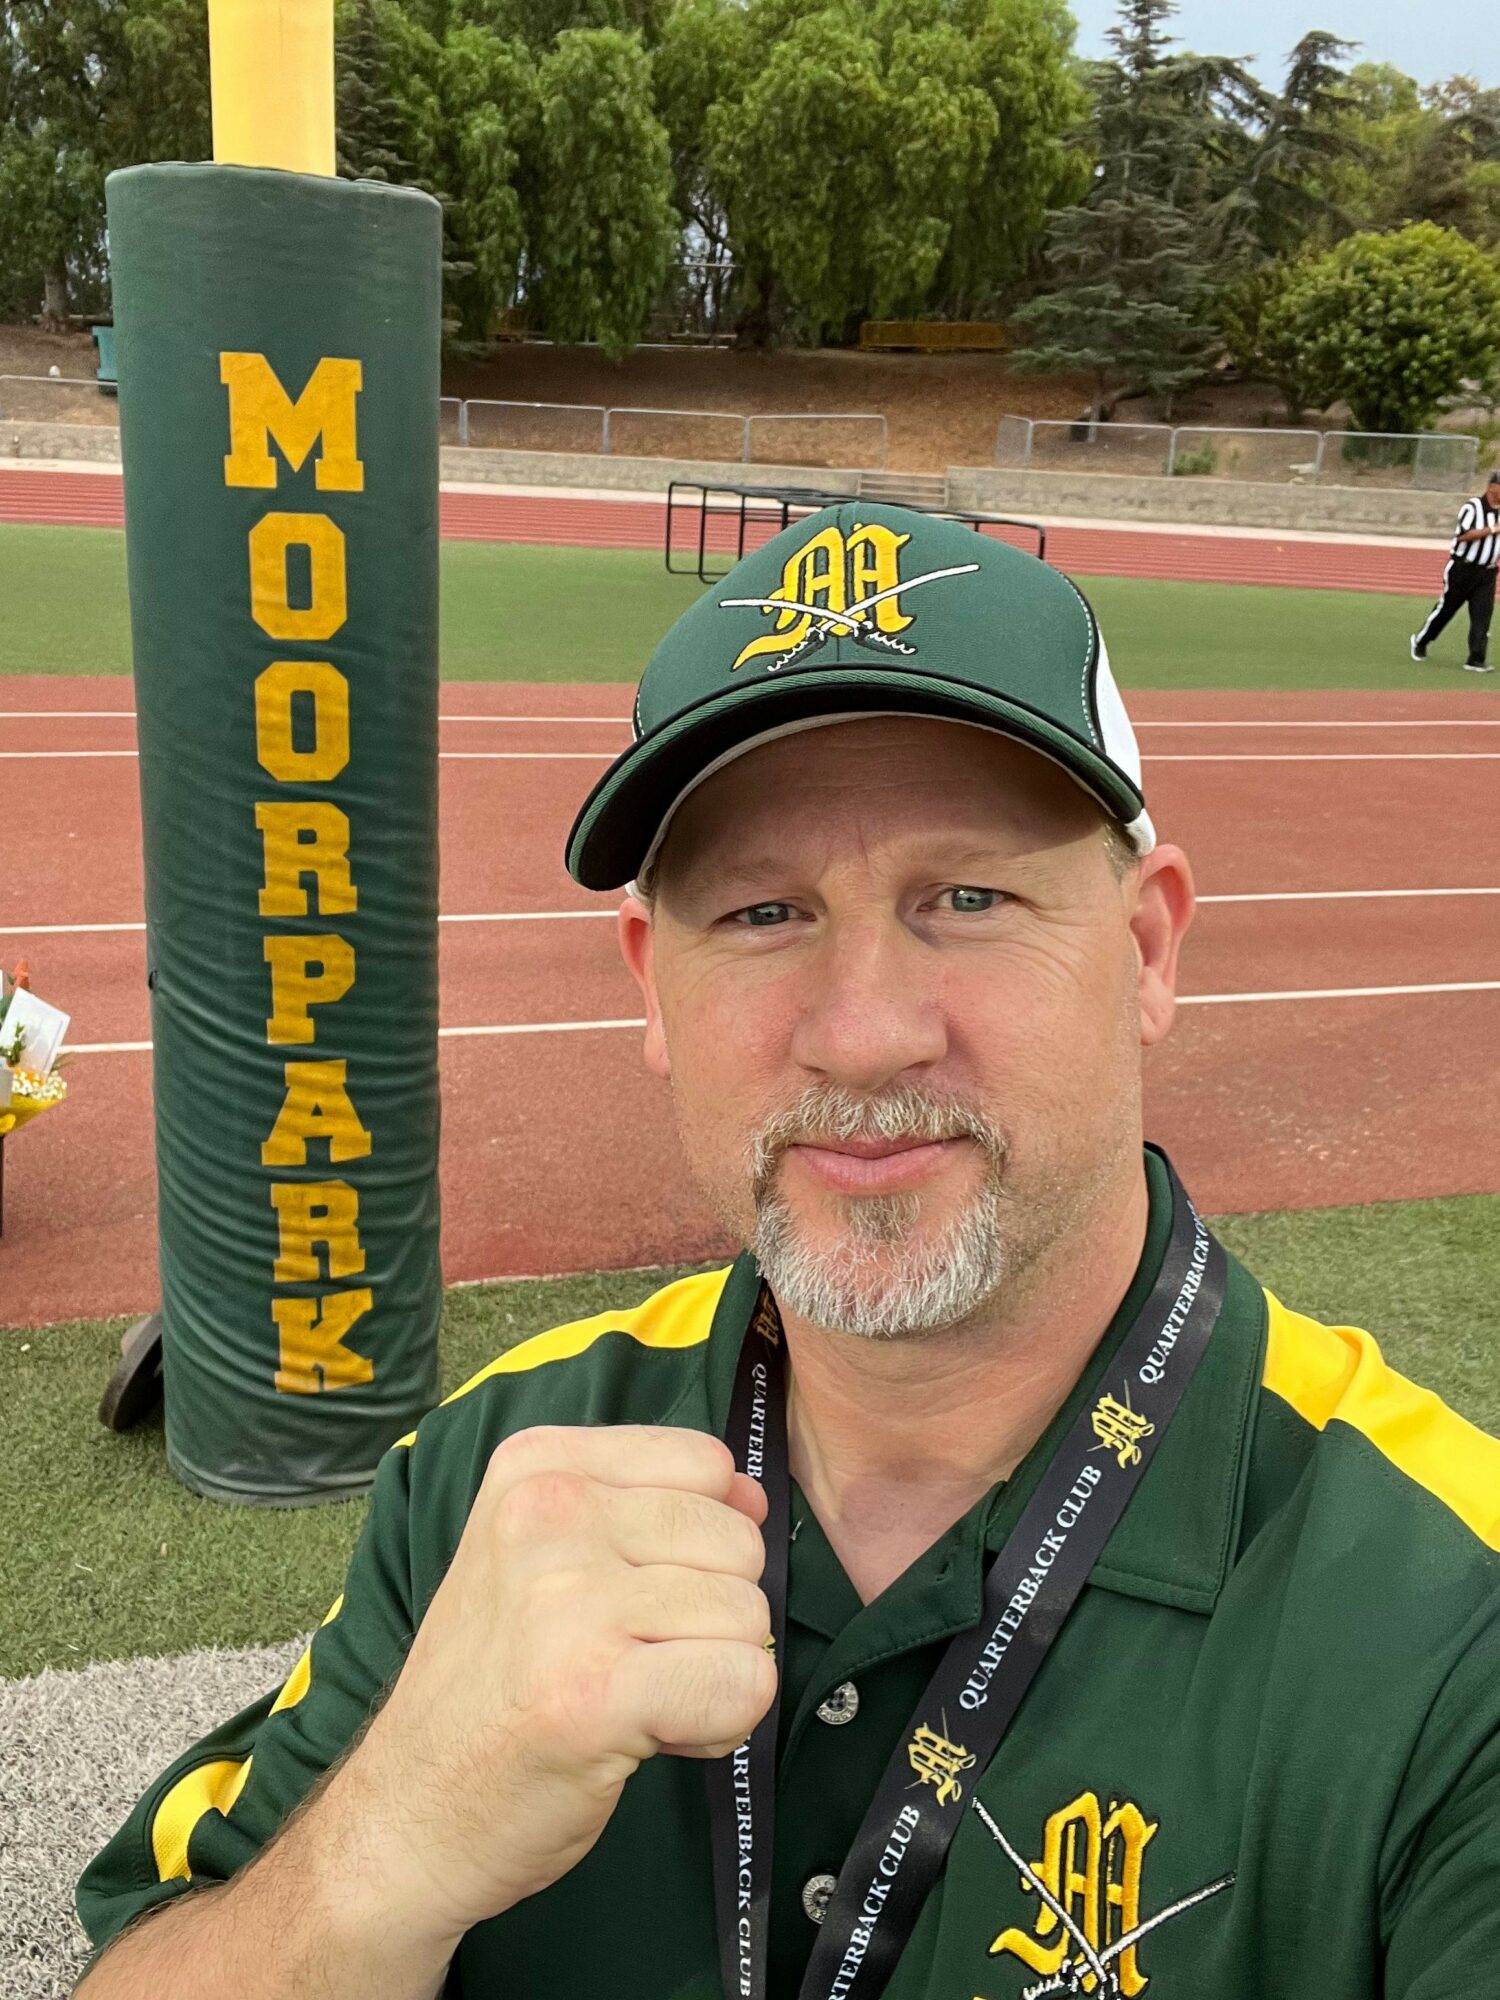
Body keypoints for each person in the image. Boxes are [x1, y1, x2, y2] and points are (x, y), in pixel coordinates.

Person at [76, 505, 1500, 2000]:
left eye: (968, 898)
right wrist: (384, 1852)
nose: (864, 1030)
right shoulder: (506, 1464)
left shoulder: (1441, 1619)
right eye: (764, 911)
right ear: (652, 986)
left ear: (1147, 949)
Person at [1411, 469, 1500, 671]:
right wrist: (1493, 529)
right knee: (1446, 610)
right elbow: (1462, 535)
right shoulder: (1473, 507)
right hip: (1462, 569)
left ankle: (1476, 659)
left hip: (1487, 573)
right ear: (1492, 487)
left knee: (1482, 616)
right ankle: (1421, 641)